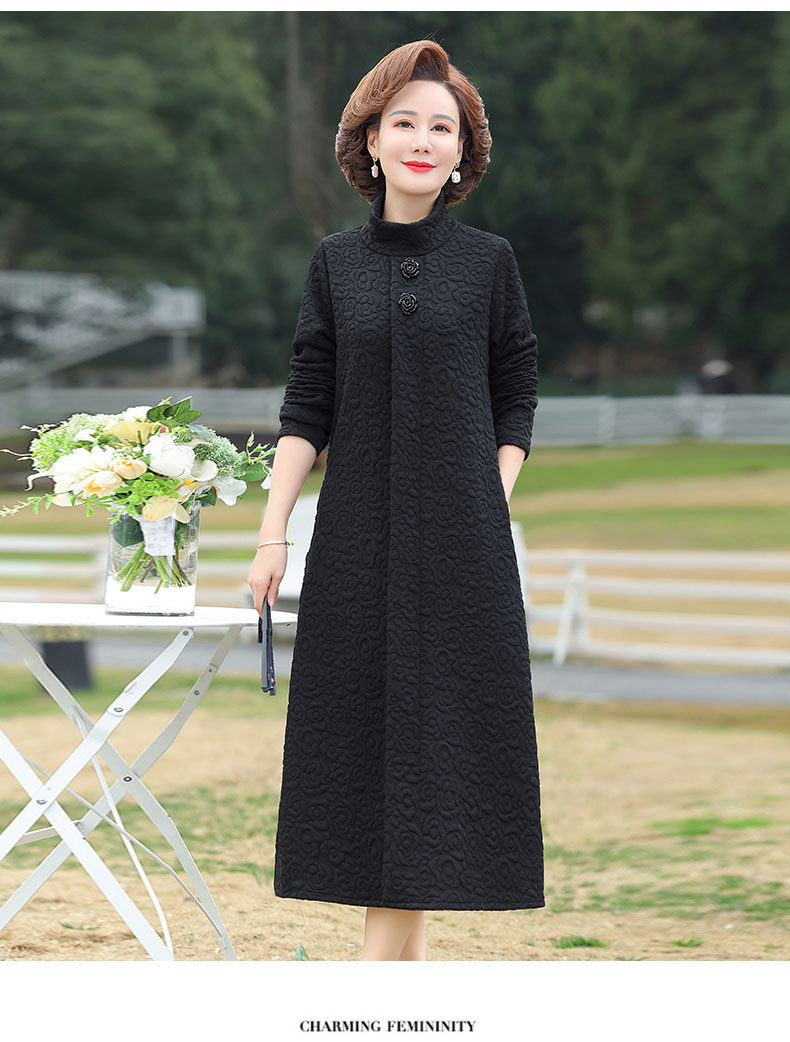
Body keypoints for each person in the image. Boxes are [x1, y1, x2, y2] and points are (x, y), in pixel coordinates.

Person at [247, 39, 544, 961]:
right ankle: (395, 995)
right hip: (356, 548)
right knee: (368, 759)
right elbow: (308, 404)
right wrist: (272, 532)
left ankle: (375, 988)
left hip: (464, 554)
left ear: (463, 152)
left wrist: (488, 497)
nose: (422, 140)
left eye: (440, 127)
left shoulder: (490, 263)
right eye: (403, 123)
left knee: (440, 757)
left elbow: (516, 389)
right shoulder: (335, 263)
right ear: (370, 142)